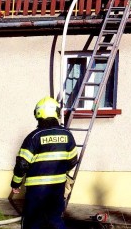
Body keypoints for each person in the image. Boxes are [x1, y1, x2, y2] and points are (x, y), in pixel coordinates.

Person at [11, 97, 78, 229]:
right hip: (57, 187)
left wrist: (15, 183)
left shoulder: (34, 136)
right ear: (56, 113)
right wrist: (61, 172)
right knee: (55, 219)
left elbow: (22, 164)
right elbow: (73, 160)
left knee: (33, 222)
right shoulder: (67, 135)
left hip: (36, 190)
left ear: (38, 114)